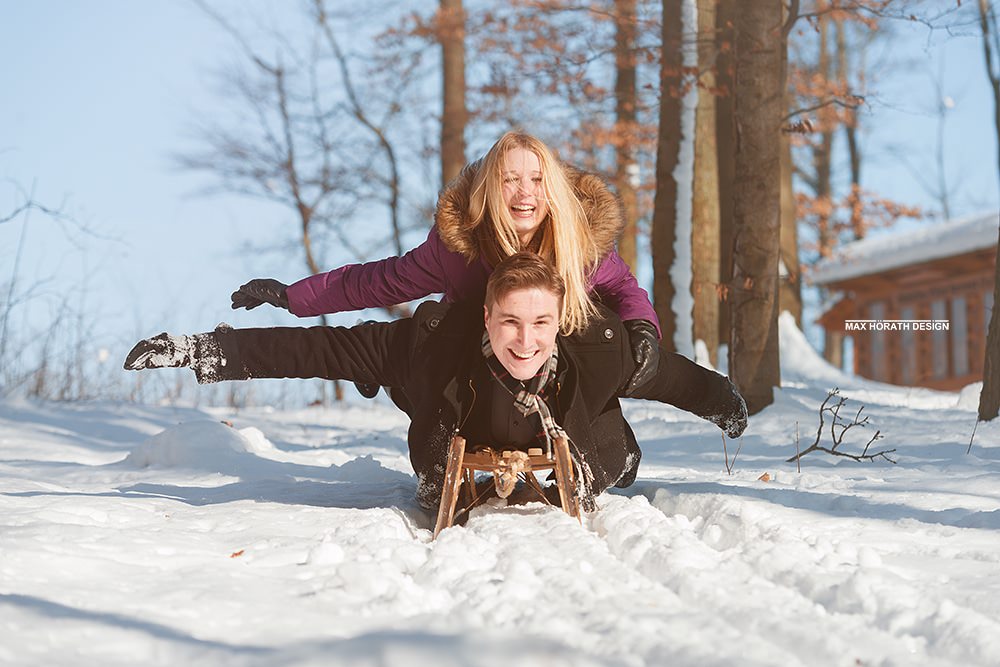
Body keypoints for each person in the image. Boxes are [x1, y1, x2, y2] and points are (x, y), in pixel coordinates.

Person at [126, 253, 747, 513]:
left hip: (581, 440)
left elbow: (675, 378)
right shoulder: (430, 347)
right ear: (486, 316)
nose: (525, 341)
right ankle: (436, 479)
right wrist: (205, 349)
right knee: (438, 471)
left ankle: (610, 462)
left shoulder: (599, 351)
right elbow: (321, 349)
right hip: (456, 437)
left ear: (561, 322)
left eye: (540, 324)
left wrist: (725, 404)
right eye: (510, 322)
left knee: (616, 457)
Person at [230, 131, 661, 396]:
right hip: (470, 373)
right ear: (492, 188)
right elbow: (382, 281)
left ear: (552, 190)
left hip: (547, 371)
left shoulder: (579, 245)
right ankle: (393, 377)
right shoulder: (460, 245)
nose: (524, 194)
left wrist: (642, 328)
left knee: (590, 327)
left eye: (536, 180)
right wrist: (293, 296)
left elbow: (624, 289)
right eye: (510, 180)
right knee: (434, 327)